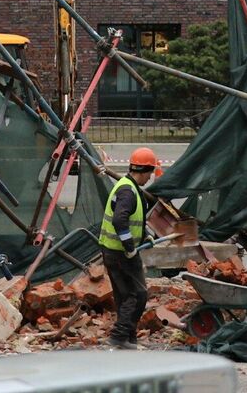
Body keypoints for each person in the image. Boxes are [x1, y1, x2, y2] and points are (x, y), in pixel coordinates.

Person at [98, 147, 159, 349]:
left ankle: (128, 339)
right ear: (143, 170)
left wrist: (145, 235)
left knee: (124, 295)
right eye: (150, 173)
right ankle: (119, 336)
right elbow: (119, 220)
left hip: (111, 251)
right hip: (122, 253)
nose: (150, 178)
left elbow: (132, 218)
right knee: (138, 294)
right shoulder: (128, 191)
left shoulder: (127, 186)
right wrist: (129, 246)